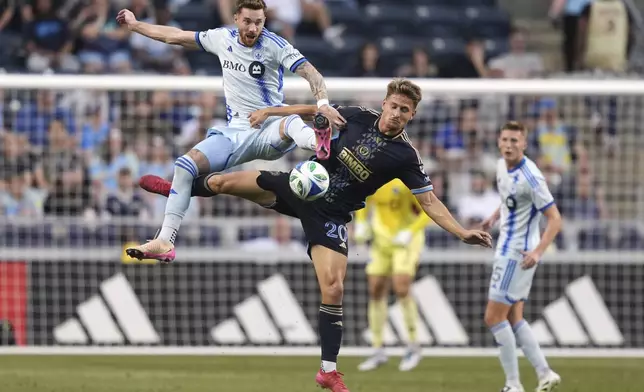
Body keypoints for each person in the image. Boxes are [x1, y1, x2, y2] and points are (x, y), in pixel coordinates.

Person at [131, 79, 493, 392]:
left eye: (405, 110)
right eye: (394, 105)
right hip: (299, 186)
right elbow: (315, 111)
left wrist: (461, 232)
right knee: (225, 181)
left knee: (334, 288)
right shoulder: (357, 116)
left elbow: (428, 201)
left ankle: (328, 371)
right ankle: (177, 189)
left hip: (331, 214)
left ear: (412, 115)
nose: (397, 113)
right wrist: (273, 114)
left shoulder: (405, 157)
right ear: (384, 104)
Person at [116, 0, 345, 262]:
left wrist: (323, 105)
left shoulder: (275, 45)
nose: (253, 28)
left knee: (291, 121)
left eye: (259, 22)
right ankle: (165, 241)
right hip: (236, 131)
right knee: (185, 165)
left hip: (270, 129)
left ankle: (320, 143)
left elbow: (312, 74)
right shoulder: (221, 38)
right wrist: (135, 25)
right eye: (247, 21)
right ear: (236, 18)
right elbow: (174, 37)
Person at [480, 121, 563, 392]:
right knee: (514, 317)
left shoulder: (532, 177)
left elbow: (554, 219)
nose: (508, 145)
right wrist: (495, 215)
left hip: (517, 253)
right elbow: (509, 199)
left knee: (493, 317)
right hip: (508, 245)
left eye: (515, 141)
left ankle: (513, 385)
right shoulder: (501, 165)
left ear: (524, 144)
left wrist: (539, 252)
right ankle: (544, 373)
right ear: (498, 141)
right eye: (505, 139)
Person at [354, 179, 431, 372]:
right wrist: (362, 222)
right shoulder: (372, 177)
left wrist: (409, 231)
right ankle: (377, 349)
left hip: (405, 240)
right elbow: (364, 201)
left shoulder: (405, 180)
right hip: (381, 242)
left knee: (401, 286)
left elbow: (427, 211)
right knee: (375, 289)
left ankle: (413, 346)